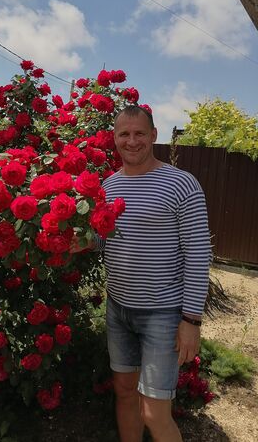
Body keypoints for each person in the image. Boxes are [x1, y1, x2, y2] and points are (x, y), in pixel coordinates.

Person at [71, 105, 211, 442]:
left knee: (154, 412)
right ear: (114, 139)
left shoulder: (182, 184)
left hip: (163, 314)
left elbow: (198, 254)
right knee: (124, 392)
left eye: (139, 133)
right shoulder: (108, 186)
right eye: (124, 134)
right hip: (118, 309)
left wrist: (191, 321)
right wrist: (84, 241)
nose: (132, 141)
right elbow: (105, 239)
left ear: (153, 136)